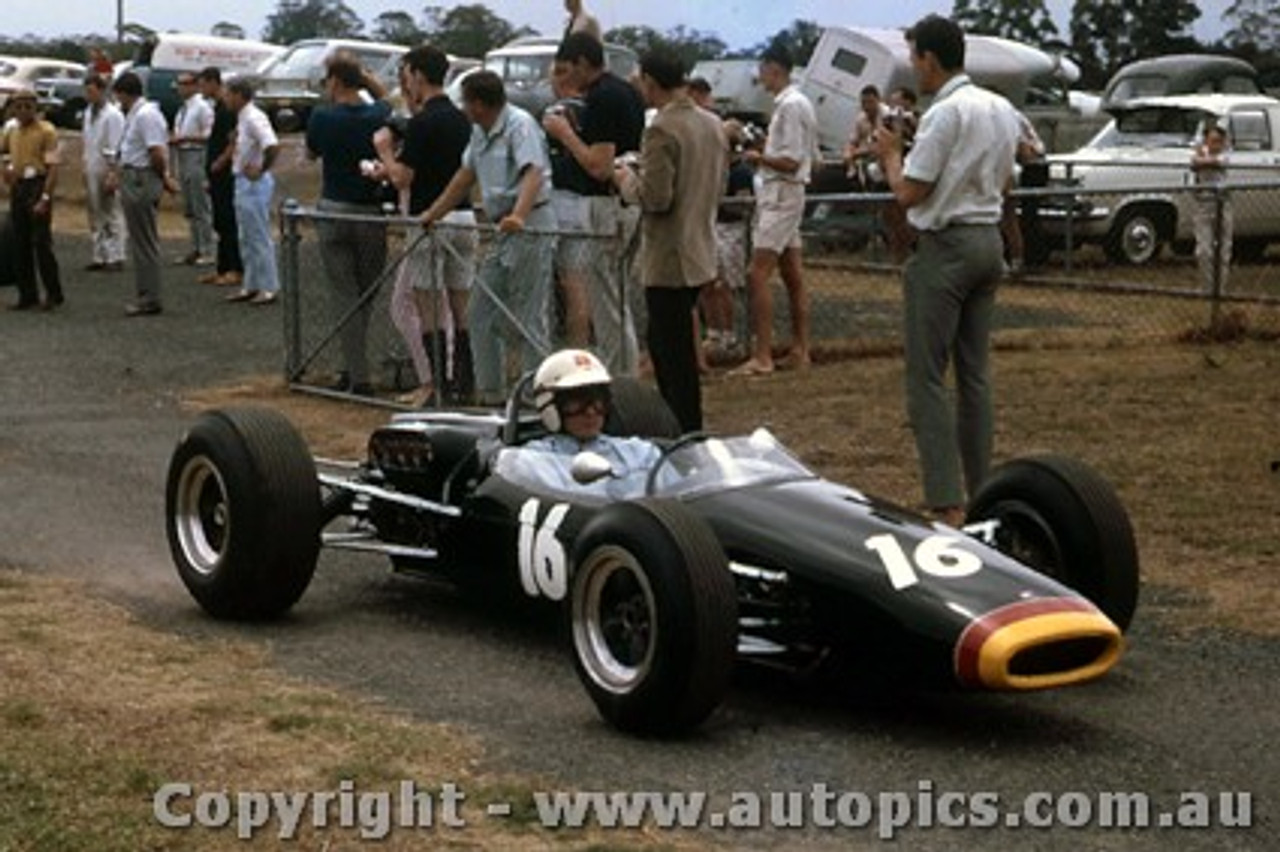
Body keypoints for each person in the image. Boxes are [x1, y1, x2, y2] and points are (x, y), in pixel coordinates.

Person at [872, 14, 1019, 528]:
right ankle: (981, 491)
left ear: (930, 59)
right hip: (987, 240)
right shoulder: (1001, 108)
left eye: (915, 59)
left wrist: (891, 154)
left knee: (927, 376)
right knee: (975, 374)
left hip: (947, 246)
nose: (914, 69)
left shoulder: (944, 113)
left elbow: (909, 191)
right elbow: (1006, 181)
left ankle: (945, 500)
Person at [420, 70, 556, 407]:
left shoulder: (519, 125)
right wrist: (432, 214)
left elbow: (533, 173)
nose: (463, 108)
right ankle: (491, 393)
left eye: (466, 101)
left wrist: (519, 216)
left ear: (479, 103)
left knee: (528, 314)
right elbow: (464, 176)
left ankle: (534, 398)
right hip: (501, 228)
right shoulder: (479, 133)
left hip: (530, 223)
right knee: (481, 309)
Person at [613, 48, 727, 433]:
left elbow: (656, 197)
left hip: (669, 256)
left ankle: (683, 430)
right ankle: (682, 426)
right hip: (700, 249)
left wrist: (625, 178)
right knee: (669, 344)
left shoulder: (661, 128)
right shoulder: (711, 124)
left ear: (649, 80)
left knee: (671, 355)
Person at [374, 45, 476, 406]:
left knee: (430, 307)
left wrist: (385, 151)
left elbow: (403, 178)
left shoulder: (422, 122)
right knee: (461, 307)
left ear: (417, 75)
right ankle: (466, 381)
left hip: (430, 219)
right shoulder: (463, 119)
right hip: (465, 216)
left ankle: (437, 387)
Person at [542, 31, 647, 377]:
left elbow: (599, 166)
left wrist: (564, 134)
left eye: (566, 69)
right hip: (628, 203)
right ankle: (622, 374)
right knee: (614, 300)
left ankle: (621, 381)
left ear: (584, 64)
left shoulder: (603, 97)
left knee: (608, 305)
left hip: (610, 206)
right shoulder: (627, 91)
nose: (564, 78)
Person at [304, 53, 392, 394]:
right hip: (370, 212)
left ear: (336, 82)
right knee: (365, 292)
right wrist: (368, 80)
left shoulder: (323, 116)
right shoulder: (379, 114)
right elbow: (389, 101)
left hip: (334, 208)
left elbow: (311, 154)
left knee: (343, 293)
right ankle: (353, 366)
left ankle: (355, 372)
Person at [734, 43, 816, 376]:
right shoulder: (796, 104)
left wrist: (758, 158)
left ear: (775, 69)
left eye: (763, 69)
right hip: (786, 193)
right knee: (792, 275)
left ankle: (763, 354)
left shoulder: (791, 106)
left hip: (782, 194)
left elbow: (791, 160)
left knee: (757, 274)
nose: (759, 76)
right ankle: (800, 349)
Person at [494, 348, 660, 499]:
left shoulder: (641, 452)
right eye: (576, 401)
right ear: (551, 406)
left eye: (598, 401)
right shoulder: (531, 462)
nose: (590, 412)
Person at [109, 72, 179, 316]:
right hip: (135, 175)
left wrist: (163, 178)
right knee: (141, 239)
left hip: (140, 177)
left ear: (124, 93)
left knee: (144, 241)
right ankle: (147, 293)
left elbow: (156, 153)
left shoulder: (146, 115)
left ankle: (150, 297)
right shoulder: (138, 114)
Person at [544, 58, 592, 348]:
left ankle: (577, 346)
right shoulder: (594, 109)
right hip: (585, 199)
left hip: (563, 199)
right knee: (581, 281)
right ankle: (582, 342)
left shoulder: (559, 112)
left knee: (571, 282)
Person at [0, 89, 63, 311]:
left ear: (36, 108)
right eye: (18, 106)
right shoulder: (13, 131)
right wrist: (7, 169)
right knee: (20, 243)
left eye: (28, 106)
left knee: (41, 243)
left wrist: (45, 197)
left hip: (38, 184)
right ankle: (27, 294)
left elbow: (53, 167)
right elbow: (5, 152)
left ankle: (53, 294)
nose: (23, 110)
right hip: (19, 187)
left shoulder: (47, 131)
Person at [222, 78, 281, 307]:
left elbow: (272, 145)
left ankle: (268, 286)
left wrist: (262, 168)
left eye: (228, 94)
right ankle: (252, 283)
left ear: (238, 94)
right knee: (246, 236)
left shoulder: (254, 117)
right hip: (242, 180)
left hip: (252, 183)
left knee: (258, 235)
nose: (225, 99)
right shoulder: (243, 118)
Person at [196, 67, 243, 287]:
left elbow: (233, 141)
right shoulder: (217, 108)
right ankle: (222, 268)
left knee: (228, 220)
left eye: (204, 84)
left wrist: (220, 161)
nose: (201, 89)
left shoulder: (227, 110)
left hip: (225, 174)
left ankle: (235, 268)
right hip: (215, 175)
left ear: (214, 82)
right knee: (219, 221)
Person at [81, 73, 126, 273]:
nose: (88, 95)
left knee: (111, 211)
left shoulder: (113, 115)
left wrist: (112, 173)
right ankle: (99, 254)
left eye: (92, 91)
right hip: (92, 165)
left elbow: (115, 145)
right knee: (95, 212)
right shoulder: (88, 113)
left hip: (106, 167)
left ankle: (116, 255)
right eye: (87, 91)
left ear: (102, 90)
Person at [170, 72, 215, 266]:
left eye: (183, 84)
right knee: (190, 206)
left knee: (200, 205)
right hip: (183, 155)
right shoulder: (183, 110)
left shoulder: (202, 108)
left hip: (196, 154)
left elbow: (209, 135)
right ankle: (195, 247)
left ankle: (208, 249)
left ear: (194, 85)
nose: (179, 88)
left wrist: (186, 138)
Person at [999, 108, 1046, 275]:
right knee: (1009, 218)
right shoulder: (1013, 115)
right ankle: (1014, 260)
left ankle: (1018, 260)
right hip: (1024, 165)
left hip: (1026, 167)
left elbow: (1025, 151)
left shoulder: (1006, 117)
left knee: (1010, 217)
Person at [1191, 123, 1232, 294]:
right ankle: (1208, 289)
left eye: (1218, 141)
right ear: (1206, 140)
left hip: (1223, 205)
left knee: (1223, 251)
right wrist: (1203, 159)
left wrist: (1206, 160)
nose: (1215, 145)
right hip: (1203, 205)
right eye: (1212, 141)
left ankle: (1220, 290)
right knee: (1204, 251)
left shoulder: (1227, 154)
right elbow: (1194, 163)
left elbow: (1218, 162)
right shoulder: (1200, 152)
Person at [842, 85, 886, 189]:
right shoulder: (861, 117)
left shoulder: (886, 116)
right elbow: (852, 140)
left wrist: (855, 152)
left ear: (878, 100)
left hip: (882, 160)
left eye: (870, 102)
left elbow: (880, 145)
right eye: (863, 103)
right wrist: (848, 152)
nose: (867, 106)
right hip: (865, 158)